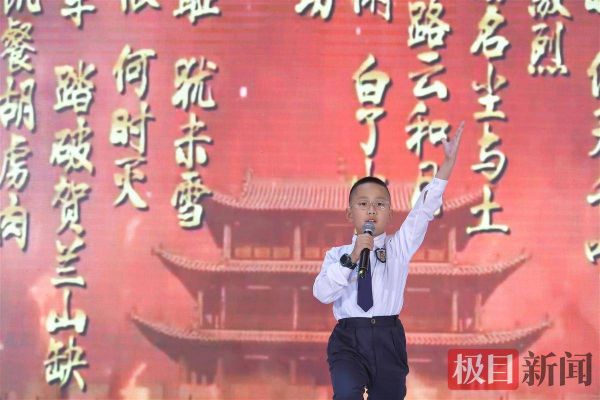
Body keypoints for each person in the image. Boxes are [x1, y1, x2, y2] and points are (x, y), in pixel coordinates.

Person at [313, 122, 464, 400]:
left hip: (388, 337)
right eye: (363, 204)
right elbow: (322, 293)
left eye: (380, 204)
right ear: (349, 214)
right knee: (346, 394)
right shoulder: (336, 255)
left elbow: (423, 210)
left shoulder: (399, 247)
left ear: (390, 213)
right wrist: (353, 256)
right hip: (348, 338)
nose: (372, 210)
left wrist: (447, 164)